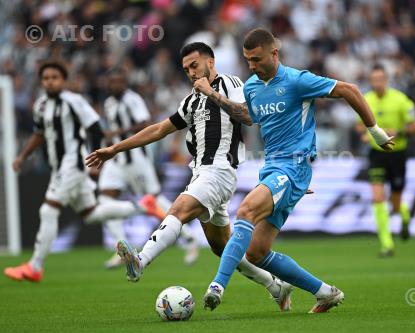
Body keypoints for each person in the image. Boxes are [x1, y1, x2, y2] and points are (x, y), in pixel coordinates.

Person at [86, 42, 294, 311]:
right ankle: (276, 286)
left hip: (219, 170)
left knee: (179, 209)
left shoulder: (230, 83)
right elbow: (159, 129)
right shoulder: (191, 100)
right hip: (202, 172)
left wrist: (213, 94)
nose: (191, 73)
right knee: (222, 248)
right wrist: (115, 148)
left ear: (210, 62)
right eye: (186, 69)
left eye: (194, 65)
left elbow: (248, 116)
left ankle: (141, 259)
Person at [200, 28, 394, 313]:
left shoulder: (297, 80)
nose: (251, 65)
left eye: (256, 59)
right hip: (274, 169)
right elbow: (248, 116)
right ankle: (325, 292)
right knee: (255, 251)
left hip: (293, 168)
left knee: (245, 212)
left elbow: (349, 90)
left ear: (274, 52)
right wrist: (215, 97)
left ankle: (217, 285)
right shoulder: (252, 87)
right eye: (247, 60)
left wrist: (374, 130)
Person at [3, 60, 162, 283]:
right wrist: (22, 155)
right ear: (41, 81)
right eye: (46, 78)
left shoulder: (74, 101)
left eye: (54, 77)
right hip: (60, 167)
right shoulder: (40, 105)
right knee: (91, 214)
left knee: (48, 211)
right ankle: (143, 206)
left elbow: (95, 127)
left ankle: (35, 266)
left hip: (73, 165)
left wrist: (98, 159)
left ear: (63, 80)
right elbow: (39, 133)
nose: (50, 82)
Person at [99, 69, 199, 268]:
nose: (116, 86)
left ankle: (188, 238)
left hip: (136, 159)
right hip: (117, 162)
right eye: (112, 82)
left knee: (153, 199)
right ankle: (121, 248)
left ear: (125, 83)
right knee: (104, 198)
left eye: (119, 81)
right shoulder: (109, 103)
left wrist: (117, 133)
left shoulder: (132, 99)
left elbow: (144, 124)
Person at [356, 64, 415, 257]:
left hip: (397, 154)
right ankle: (387, 244)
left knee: (395, 202)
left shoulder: (401, 100)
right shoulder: (365, 100)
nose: (377, 83)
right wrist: (366, 134)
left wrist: (398, 133)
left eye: (380, 79)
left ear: (386, 80)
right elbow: (359, 127)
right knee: (377, 197)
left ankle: (405, 215)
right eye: (373, 80)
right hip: (377, 155)